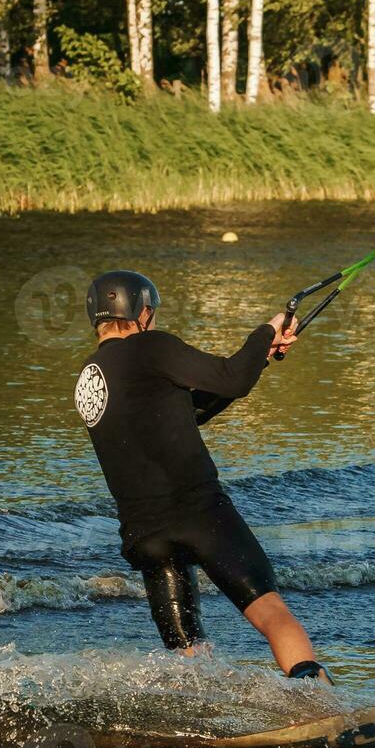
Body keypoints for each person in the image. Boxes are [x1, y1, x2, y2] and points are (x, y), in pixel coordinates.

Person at [73, 270, 331, 684]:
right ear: (142, 313)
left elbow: (191, 410)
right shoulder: (150, 347)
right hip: (197, 512)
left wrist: (260, 356)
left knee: (187, 648)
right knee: (271, 612)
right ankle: (324, 703)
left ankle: (206, 719)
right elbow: (232, 378)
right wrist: (266, 330)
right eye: (151, 315)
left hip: (144, 534)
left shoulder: (89, 377)